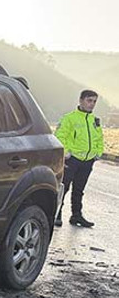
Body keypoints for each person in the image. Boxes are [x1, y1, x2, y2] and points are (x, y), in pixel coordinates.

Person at [54, 89, 104, 227]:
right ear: (81, 100)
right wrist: (66, 152)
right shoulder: (69, 118)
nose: (92, 104)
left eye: (94, 101)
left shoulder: (95, 120)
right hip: (72, 159)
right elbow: (60, 136)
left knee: (79, 190)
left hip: (88, 161)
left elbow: (99, 138)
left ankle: (76, 216)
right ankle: (56, 213)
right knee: (64, 188)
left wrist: (98, 153)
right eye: (89, 100)